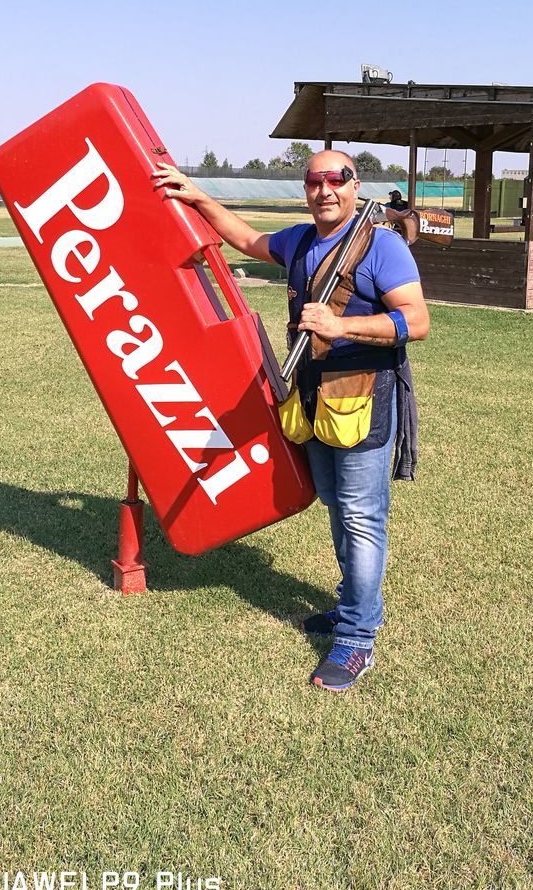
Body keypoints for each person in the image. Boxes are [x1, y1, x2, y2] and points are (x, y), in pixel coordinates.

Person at [152, 150, 429, 692]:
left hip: (364, 399)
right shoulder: (301, 240)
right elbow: (249, 241)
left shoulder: (382, 246)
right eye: (314, 180)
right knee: (335, 505)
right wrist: (198, 195)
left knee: (360, 517)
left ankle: (357, 638)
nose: (325, 189)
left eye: (337, 179)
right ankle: (353, 603)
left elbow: (417, 322)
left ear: (354, 185)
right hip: (312, 398)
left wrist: (339, 326)